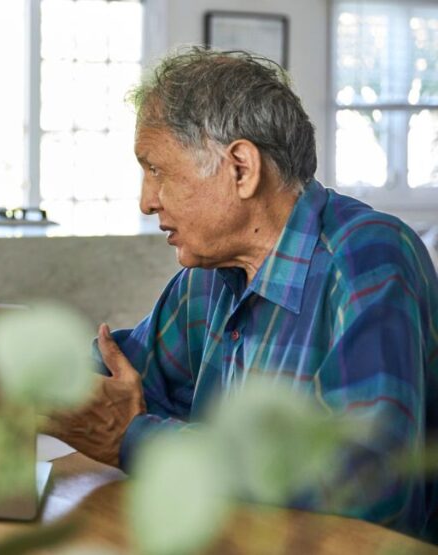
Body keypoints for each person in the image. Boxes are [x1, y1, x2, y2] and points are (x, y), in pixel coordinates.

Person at [47, 47, 438, 539]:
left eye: (158, 171)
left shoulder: (370, 258)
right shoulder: (208, 276)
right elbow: (116, 382)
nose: (147, 201)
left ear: (241, 168)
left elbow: (365, 483)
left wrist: (137, 438)